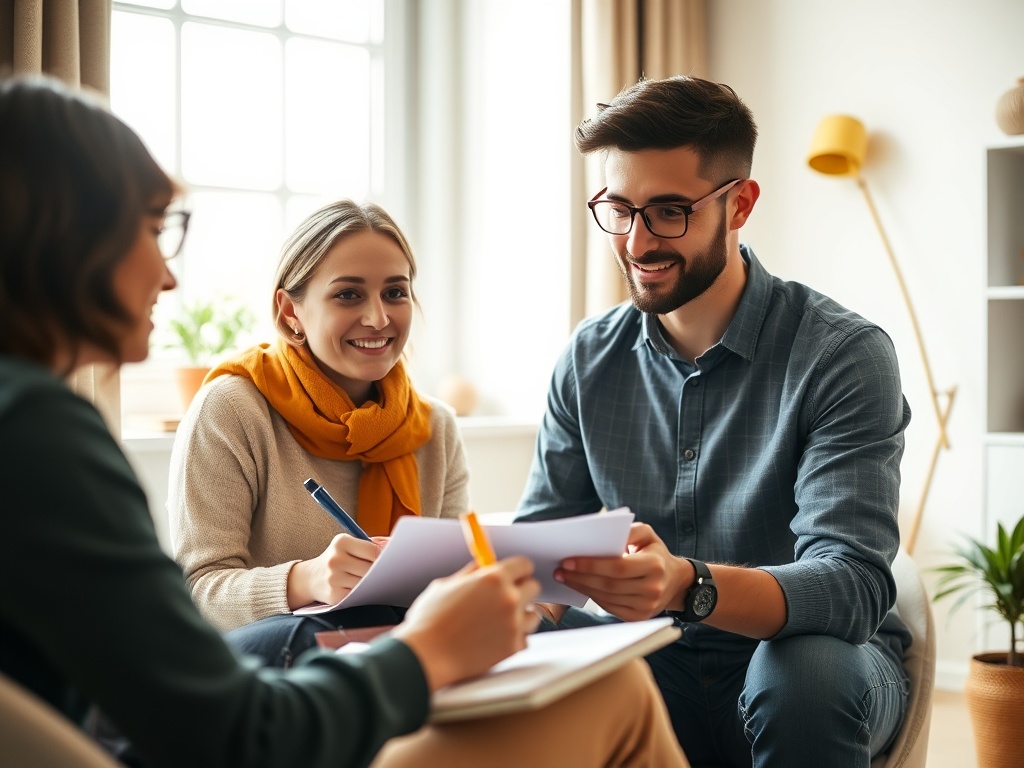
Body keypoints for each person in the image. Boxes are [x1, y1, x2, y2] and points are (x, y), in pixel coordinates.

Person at [0, 73, 691, 768]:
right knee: (620, 695)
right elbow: (225, 703)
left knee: (613, 681)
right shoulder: (62, 427)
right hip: (306, 693)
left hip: (351, 693)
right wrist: (390, 632)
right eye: (152, 230)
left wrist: (517, 597)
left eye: (395, 293)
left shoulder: (431, 427)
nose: (171, 275)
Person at [516, 75, 913, 768]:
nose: (637, 242)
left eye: (669, 211)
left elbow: (851, 585)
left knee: (805, 673)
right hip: (651, 658)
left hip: (806, 664)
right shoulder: (586, 359)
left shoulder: (842, 355)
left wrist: (688, 584)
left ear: (740, 205)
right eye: (619, 208)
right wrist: (505, 599)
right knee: (519, 657)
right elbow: (540, 550)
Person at [168, 199, 467, 662]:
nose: (378, 318)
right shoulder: (232, 408)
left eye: (395, 292)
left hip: (408, 658)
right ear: (290, 312)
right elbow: (198, 592)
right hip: (275, 672)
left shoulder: (436, 428)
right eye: (348, 294)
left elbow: (451, 585)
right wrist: (306, 580)